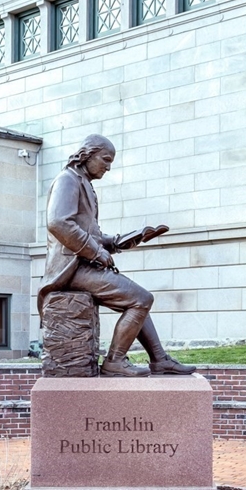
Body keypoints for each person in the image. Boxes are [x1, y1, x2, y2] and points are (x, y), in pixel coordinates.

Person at [38, 134, 195, 378]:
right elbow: (58, 222)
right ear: (88, 154)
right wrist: (95, 251)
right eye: (105, 159)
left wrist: (120, 241)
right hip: (70, 268)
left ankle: (160, 359)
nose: (108, 167)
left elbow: (89, 232)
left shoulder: (84, 184)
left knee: (138, 300)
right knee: (140, 299)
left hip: (82, 264)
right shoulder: (67, 180)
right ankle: (115, 362)